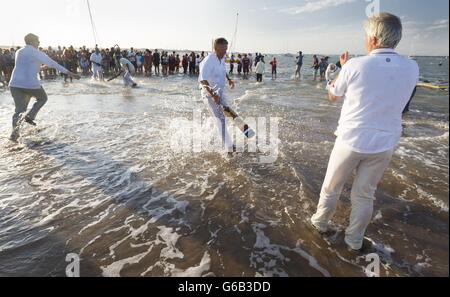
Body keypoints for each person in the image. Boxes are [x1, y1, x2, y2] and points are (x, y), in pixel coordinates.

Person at [310, 13, 419, 251]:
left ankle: (320, 222)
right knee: (364, 195)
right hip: (385, 143)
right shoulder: (412, 67)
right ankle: (355, 239)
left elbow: (332, 96)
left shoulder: (355, 64)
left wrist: (338, 72)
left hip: (351, 140)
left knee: (332, 187)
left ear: (373, 37)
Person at [8, 33, 80, 141]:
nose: (39, 43)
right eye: (38, 41)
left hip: (14, 84)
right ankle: (30, 116)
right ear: (32, 42)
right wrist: (71, 74)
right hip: (30, 84)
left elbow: (27, 67)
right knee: (43, 98)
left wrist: (41, 68)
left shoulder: (19, 51)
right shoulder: (35, 52)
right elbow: (53, 64)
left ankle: (14, 134)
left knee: (19, 110)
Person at [199, 38, 236, 152]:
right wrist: (213, 94)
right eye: (224, 49)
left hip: (219, 93)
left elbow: (223, 70)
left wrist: (229, 79)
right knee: (221, 119)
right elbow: (202, 80)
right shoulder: (209, 60)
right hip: (209, 94)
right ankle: (229, 147)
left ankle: (220, 125)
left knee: (227, 111)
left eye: (226, 48)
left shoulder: (222, 57)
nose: (226, 51)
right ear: (216, 48)